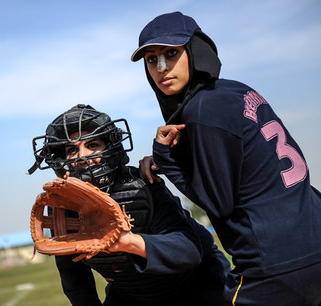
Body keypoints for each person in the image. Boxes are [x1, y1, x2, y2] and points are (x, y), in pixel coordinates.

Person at [131, 11, 321, 305]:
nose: (161, 67)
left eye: (171, 53)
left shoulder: (203, 108)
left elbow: (218, 202)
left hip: (274, 267)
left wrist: (165, 157)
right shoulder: (236, 90)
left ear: (196, 49)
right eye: (151, 59)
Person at [28, 104, 230, 306]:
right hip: (131, 294)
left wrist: (128, 242)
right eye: (72, 149)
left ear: (110, 146)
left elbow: (190, 250)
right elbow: (75, 280)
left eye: (92, 145)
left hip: (196, 285)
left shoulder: (142, 184)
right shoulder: (62, 204)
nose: (82, 157)